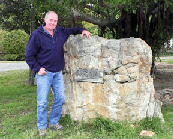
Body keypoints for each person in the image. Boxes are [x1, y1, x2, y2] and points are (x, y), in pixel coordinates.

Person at [25, 11, 91, 137]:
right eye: (51, 20)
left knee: (60, 98)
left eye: (55, 20)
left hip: (57, 73)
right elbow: (28, 55)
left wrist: (83, 30)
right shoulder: (36, 35)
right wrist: (38, 69)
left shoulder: (60, 31)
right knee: (42, 102)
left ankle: (54, 122)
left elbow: (73, 30)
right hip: (44, 74)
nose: (53, 23)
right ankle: (42, 126)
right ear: (45, 20)